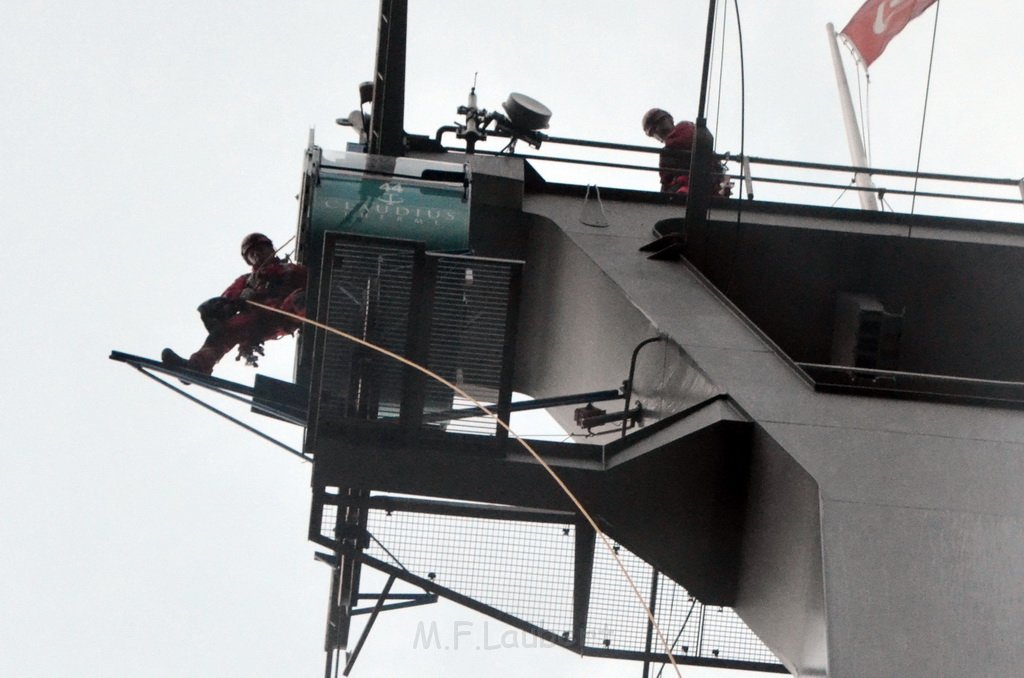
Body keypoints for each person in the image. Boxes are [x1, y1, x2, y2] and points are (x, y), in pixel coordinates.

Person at [162, 233, 307, 375]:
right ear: (249, 260)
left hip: (285, 312)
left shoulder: (290, 269)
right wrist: (237, 301)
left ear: (271, 249)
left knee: (300, 299)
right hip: (257, 321)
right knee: (226, 329)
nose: (257, 255)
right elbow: (225, 301)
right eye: (252, 254)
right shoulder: (246, 281)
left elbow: (313, 282)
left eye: (261, 249)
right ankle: (197, 366)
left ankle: (315, 315)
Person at [642, 108, 730, 197]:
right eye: (653, 131)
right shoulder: (692, 130)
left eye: (659, 123)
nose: (657, 130)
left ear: (670, 120)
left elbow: (666, 179)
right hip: (711, 183)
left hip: (693, 186)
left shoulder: (684, 132)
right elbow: (666, 178)